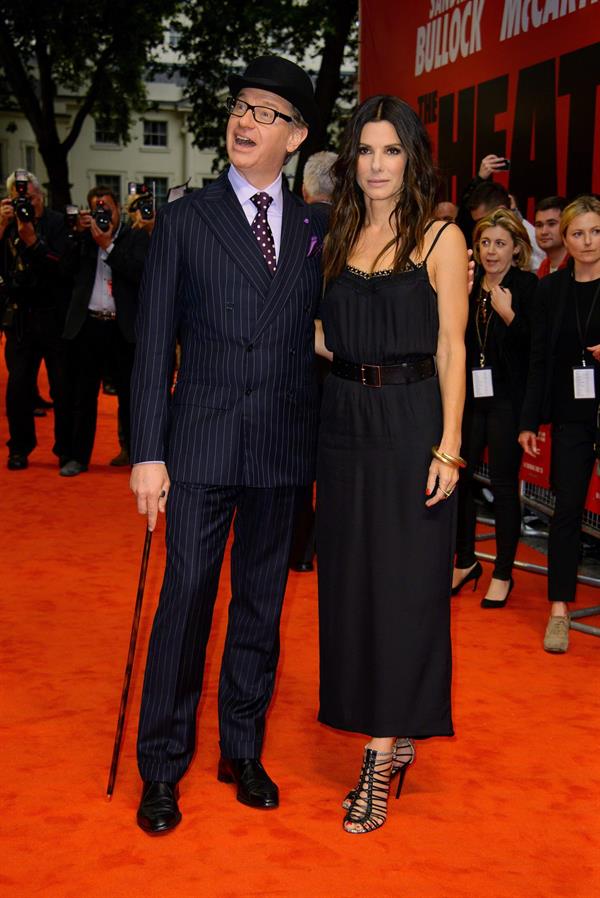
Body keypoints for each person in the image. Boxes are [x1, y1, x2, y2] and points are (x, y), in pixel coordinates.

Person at [129, 55, 325, 835]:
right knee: (185, 604)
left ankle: (242, 746)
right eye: (241, 106)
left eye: (268, 113)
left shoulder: (316, 227)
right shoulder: (187, 218)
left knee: (261, 606)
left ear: (298, 136)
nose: (246, 121)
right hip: (201, 446)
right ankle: (162, 764)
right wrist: (147, 450)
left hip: (281, 447)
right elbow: (151, 348)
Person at [315, 95, 468, 834]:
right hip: (343, 426)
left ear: (412, 158)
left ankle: (381, 755)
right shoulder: (338, 230)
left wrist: (451, 447)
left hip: (412, 428)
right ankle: (386, 725)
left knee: (404, 588)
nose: (378, 165)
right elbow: (324, 334)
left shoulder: (441, 236)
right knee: (351, 586)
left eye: (392, 151)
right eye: (368, 151)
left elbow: (452, 349)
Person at [519, 195, 600, 654]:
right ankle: (559, 611)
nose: (587, 241)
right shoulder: (551, 291)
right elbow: (537, 361)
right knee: (567, 512)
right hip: (571, 417)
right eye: (578, 233)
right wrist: (529, 420)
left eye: (596, 231)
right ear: (564, 239)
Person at [452, 208, 537, 606]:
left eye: (500, 244)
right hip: (469, 398)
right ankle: (465, 560)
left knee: (503, 485)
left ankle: (503, 571)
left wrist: (509, 315)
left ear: (517, 249)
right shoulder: (468, 286)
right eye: (485, 242)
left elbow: (534, 351)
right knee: (460, 482)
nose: (490, 251)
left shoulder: (526, 286)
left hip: (506, 400)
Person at [60, 186, 150, 476]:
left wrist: (108, 245)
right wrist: (76, 235)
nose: (103, 214)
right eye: (97, 208)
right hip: (88, 325)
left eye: (107, 208)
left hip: (121, 327)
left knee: (130, 396)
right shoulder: (82, 238)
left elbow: (140, 273)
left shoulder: (133, 237)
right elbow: (64, 271)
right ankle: (78, 457)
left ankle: (138, 457)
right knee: (83, 396)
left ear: (118, 209)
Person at [0, 170, 71, 470]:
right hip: (20, 319)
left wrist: (33, 243)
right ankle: (19, 448)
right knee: (17, 388)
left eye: (29, 198)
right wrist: (2, 226)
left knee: (63, 387)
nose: (25, 205)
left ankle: (66, 450)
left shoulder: (56, 222)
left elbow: (64, 267)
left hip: (53, 316)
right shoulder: (6, 225)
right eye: (19, 199)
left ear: (40, 196)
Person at [288, 150, 338, 573]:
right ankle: (332, 544)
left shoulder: (291, 225)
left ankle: (299, 547)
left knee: (298, 458)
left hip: (298, 359)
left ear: (305, 189)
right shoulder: (358, 230)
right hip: (347, 362)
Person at [534, 196, 569, 278]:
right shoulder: (543, 267)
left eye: (551, 224)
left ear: (566, 226)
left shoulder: (578, 265)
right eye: (539, 225)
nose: (544, 232)